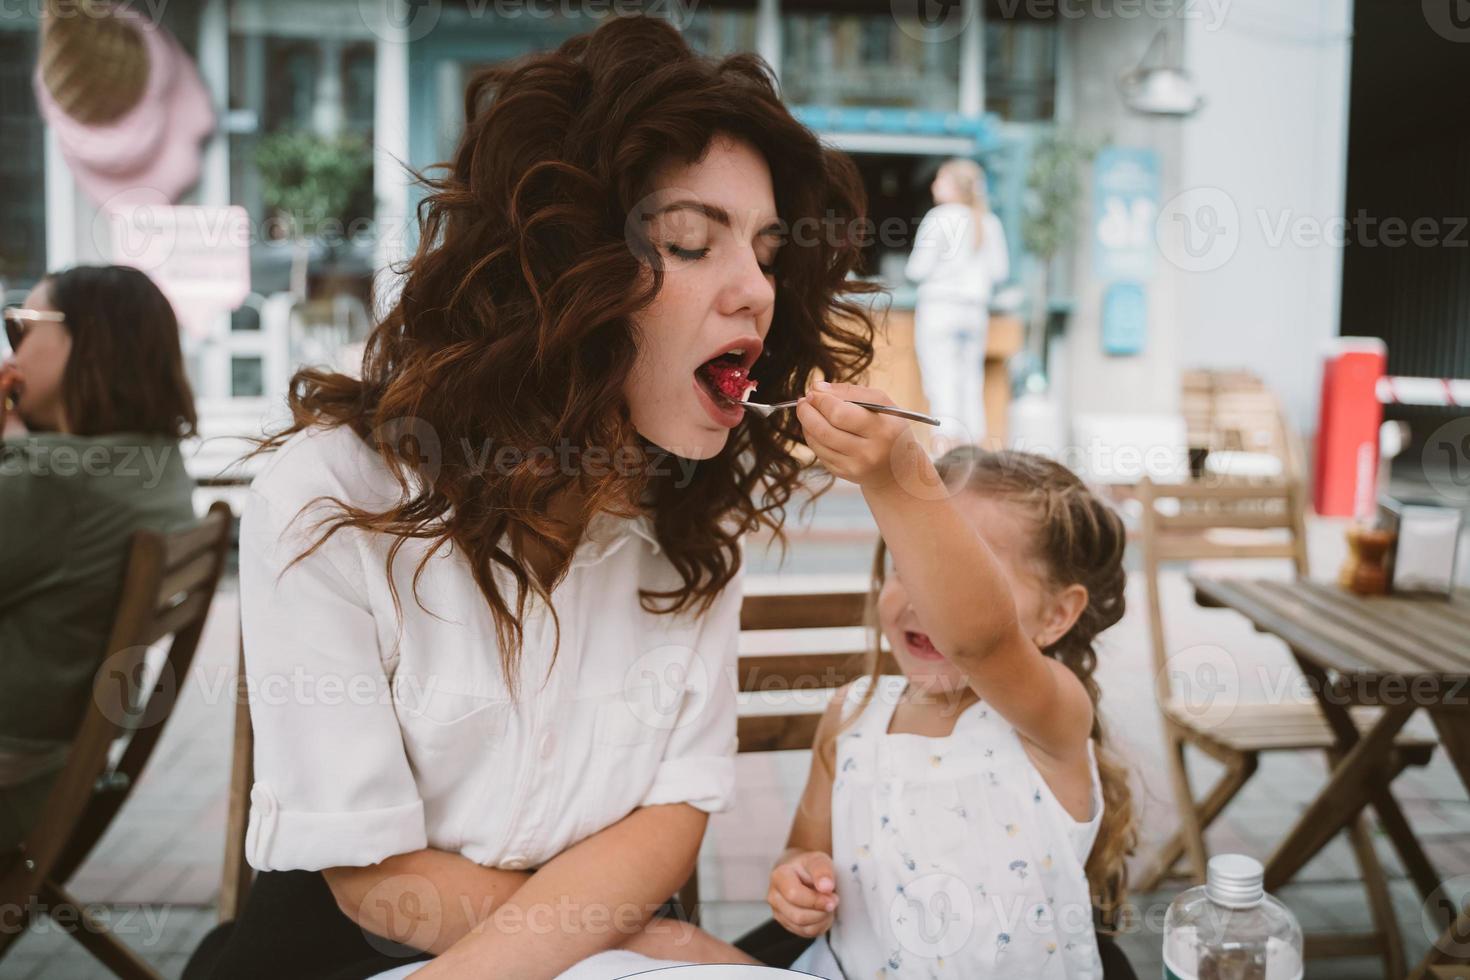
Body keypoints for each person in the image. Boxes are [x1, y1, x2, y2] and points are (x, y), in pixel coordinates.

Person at [188, 15, 879, 980]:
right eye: (687, 242)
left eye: (766, 253)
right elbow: (371, 874)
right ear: (550, 274)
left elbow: (674, 811)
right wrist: (652, 943)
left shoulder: (688, 523)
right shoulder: (329, 497)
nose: (754, 291)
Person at [768, 381, 1136, 978]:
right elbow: (803, 847)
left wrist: (895, 476)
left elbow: (978, 637)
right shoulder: (853, 714)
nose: (922, 599)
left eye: (967, 571)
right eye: (904, 560)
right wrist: (798, 876)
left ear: (1057, 616)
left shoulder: (1052, 716)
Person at [0, 265, 198, 852]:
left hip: (16, 783)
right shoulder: (156, 465)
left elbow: (50, 498)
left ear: (87, 341)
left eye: (22, 327)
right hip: (63, 775)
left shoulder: (51, 488)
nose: (10, 345)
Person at [906, 158, 1009, 446]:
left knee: (940, 379)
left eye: (940, 179)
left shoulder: (939, 218)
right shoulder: (989, 221)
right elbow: (1000, 272)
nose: (933, 185)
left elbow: (917, 269)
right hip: (975, 311)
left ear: (954, 186)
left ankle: (944, 447)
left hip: (939, 308)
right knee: (970, 381)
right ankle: (971, 450)